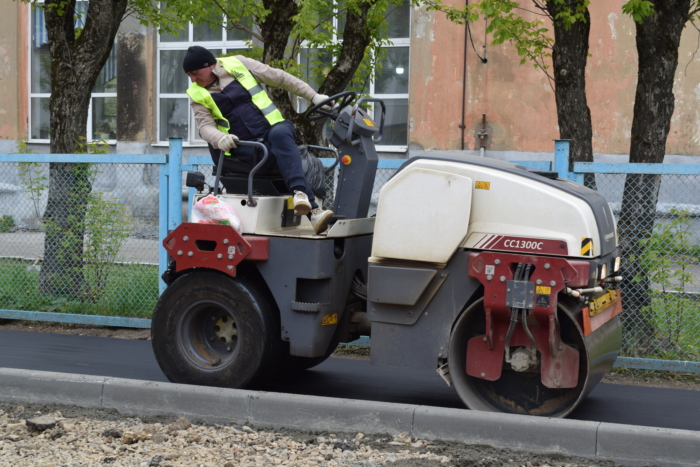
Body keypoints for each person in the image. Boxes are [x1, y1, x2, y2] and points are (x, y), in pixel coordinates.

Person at [182, 46, 334, 234]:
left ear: (210, 65)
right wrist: (220, 138)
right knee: (279, 153)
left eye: (195, 73)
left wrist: (313, 96)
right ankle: (312, 208)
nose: (192, 79)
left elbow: (280, 78)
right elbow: (205, 126)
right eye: (189, 75)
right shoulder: (197, 93)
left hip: (272, 129)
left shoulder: (239, 64)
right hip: (247, 147)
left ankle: (302, 197)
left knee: (281, 135)